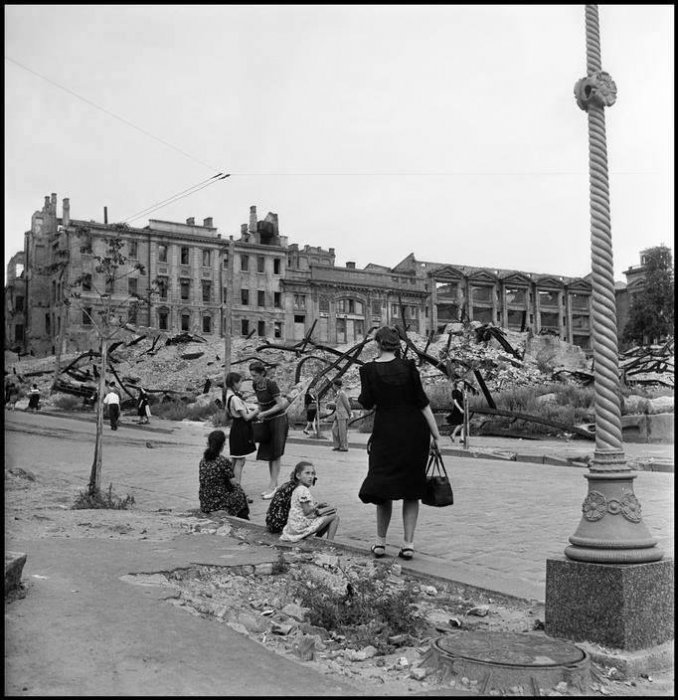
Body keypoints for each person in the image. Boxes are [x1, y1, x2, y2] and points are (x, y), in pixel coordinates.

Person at [357, 326, 441, 561]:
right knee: (411, 489)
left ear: (377, 343)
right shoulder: (409, 367)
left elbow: (367, 403)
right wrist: (436, 436)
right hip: (415, 434)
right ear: (397, 344)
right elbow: (423, 403)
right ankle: (408, 544)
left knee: (382, 488)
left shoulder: (368, 370)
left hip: (386, 434)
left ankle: (380, 543)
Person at [249, 361, 289, 500]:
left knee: (276, 453)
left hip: (278, 420)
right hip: (267, 421)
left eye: (255, 375)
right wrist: (253, 413)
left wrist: (264, 414)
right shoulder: (255, 385)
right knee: (269, 453)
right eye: (251, 376)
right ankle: (274, 484)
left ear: (262, 374)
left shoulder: (271, 384)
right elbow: (261, 405)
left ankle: (273, 486)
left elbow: (280, 405)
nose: (253, 378)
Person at [280, 461, 340, 542]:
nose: (311, 477)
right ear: (298, 475)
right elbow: (307, 511)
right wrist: (317, 505)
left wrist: (318, 506)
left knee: (327, 516)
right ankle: (330, 543)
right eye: (307, 473)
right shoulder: (303, 490)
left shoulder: (297, 488)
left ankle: (318, 539)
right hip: (300, 527)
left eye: (312, 474)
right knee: (334, 517)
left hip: (293, 526)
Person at [198, 430, 249, 519]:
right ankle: (243, 517)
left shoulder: (203, 461)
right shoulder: (222, 461)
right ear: (222, 445)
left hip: (205, 501)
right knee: (239, 492)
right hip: (217, 502)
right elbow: (234, 482)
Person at [224, 371, 259, 501]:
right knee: (240, 461)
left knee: (235, 460)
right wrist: (257, 410)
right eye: (240, 382)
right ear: (234, 383)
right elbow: (246, 417)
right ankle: (238, 492)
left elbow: (228, 415)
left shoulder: (228, 397)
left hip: (235, 428)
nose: (241, 385)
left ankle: (231, 490)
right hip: (241, 430)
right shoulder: (235, 399)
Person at [331, 378, 352, 451]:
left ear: (336, 385)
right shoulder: (338, 393)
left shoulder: (342, 393)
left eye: (333, 384)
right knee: (334, 429)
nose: (332, 386)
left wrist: (350, 413)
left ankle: (344, 447)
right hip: (338, 414)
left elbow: (347, 404)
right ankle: (337, 445)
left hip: (343, 414)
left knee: (342, 431)